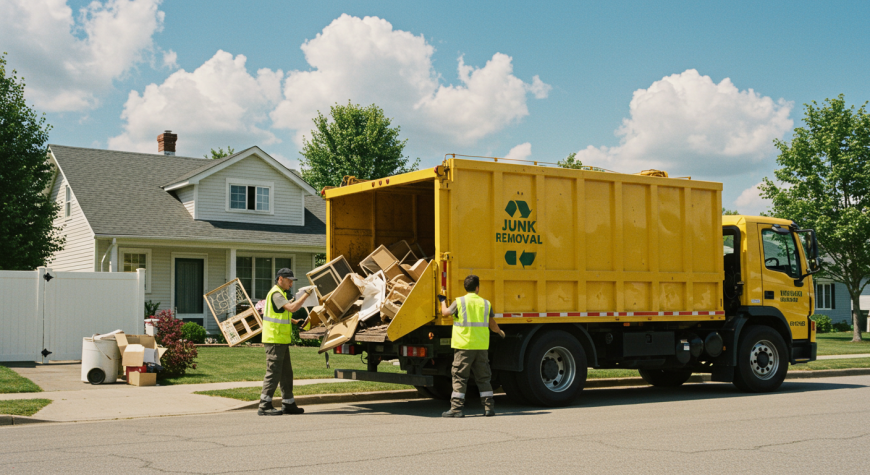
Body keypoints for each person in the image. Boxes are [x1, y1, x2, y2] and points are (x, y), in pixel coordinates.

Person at [440, 274, 505, 418]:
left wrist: (442, 300)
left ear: (465, 287)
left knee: (459, 377)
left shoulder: (460, 302)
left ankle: (456, 409)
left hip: (464, 347)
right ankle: (489, 408)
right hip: (481, 347)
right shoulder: (485, 303)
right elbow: (492, 324)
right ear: (477, 288)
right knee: (483, 378)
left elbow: (445, 313)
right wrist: (499, 331)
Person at [258, 268, 312, 416]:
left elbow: (282, 313)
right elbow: (292, 307)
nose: (291, 284)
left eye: (292, 281)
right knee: (273, 372)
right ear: (280, 279)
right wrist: (306, 295)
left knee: (286, 373)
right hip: (274, 340)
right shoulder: (276, 293)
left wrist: (293, 321)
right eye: (289, 281)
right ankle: (264, 405)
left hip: (280, 340)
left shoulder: (280, 294)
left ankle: (288, 404)